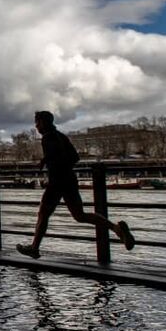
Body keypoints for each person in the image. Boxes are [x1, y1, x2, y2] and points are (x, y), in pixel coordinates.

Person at [16, 111, 135, 259]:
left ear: (44, 122)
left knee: (43, 214)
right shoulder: (61, 136)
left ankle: (34, 248)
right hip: (69, 180)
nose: (36, 126)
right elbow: (74, 157)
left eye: (38, 122)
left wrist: (49, 162)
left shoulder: (47, 138)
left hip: (56, 182)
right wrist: (50, 161)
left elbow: (56, 156)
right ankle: (116, 229)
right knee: (80, 215)